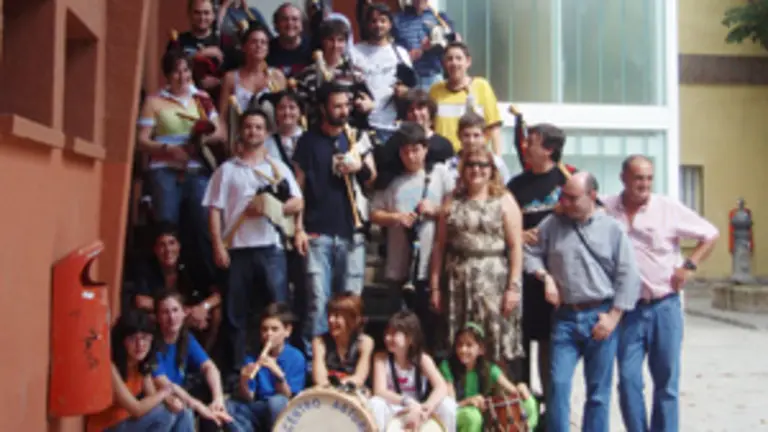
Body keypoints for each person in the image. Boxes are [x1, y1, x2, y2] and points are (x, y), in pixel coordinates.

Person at [604, 155, 719, 432]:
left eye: (648, 178)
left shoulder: (666, 208)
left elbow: (710, 233)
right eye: (638, 178)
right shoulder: (607, 208)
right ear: (623, 179)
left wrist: (688, 266)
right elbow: (576, 202)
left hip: (664, 306)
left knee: (666, 382)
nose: (644, 184)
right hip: (628, 311)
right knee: (629, 381)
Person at [523, 172, 642, 432]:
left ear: (592, 196)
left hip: (599, 314)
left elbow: (628, 275)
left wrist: (614, 317)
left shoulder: (611, 229)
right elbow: (530, 252)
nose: (565, 202)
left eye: (573, 198)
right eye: (563, 196)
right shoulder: (552, 224)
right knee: (558, 385)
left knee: (598, 392)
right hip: (565, 317)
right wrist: (545, 277)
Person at [203, 107, 303, 374]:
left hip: (271, 248)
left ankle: (281, 368)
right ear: (241, 131)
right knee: (236, 313)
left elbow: (297, 201)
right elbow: (214, 209)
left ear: (267, 132)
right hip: (237, 249)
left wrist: (271, 207)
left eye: (259, 127)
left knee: (278, 310)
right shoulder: (226, 170)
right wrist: (217, 245)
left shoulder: (278, 168)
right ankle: (238, 371)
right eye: (248, 127)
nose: (253, 132)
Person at [292, 83, 376, 356]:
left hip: (352, 232)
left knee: (351, 302)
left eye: (346, 105)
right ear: (323, 108)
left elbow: (372, 177)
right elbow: (298, 188)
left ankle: (348, 359)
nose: (343, 111)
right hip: (317, 232)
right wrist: (298, 229)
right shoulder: (307, 141)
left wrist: (357, 167)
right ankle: (314, 362)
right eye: (337, 106)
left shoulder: (357, 136)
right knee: (318, 301)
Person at [137, 49, 222, 299]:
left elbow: (221, 133)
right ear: (167, 75)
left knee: (203, 227)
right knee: (166, 229)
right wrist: (167, 149)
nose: (182, 76)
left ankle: (205, 284)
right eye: (176, 71)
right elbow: (141, 141)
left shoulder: (202, 98)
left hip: (196, 169)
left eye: (185, 70)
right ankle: (164, 286)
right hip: (164, 169)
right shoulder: (154, 101)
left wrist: (200, 136)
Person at [430, 146, 524, 369]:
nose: (477, 170)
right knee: (460, 341)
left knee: (494, 339)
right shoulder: (451, 200)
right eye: (471, 164)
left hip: (493, 282)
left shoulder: (504, 200)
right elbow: (439, 246)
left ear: (492, 169)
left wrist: (514, 287)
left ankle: (498, 396)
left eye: (483, 165)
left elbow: (515, 247)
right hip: (458, 281)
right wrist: (435, 287)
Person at [506, 123, 573, 402]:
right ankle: (521, 410)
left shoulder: (569, 181)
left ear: (549, 149)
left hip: (557, 280)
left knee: (549, 346)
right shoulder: (516, 185)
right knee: (519, 346)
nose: (524, 147)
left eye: (531, 142)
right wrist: (518, 234)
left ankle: (552, 409)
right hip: (522, 276)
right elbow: (502, 222)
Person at [370, 122, 452, 346]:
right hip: (399, 265)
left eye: (416, 150)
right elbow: (374, 213)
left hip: (430, 265)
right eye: (405, 151)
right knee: (399, 325)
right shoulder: (391, 180)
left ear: (425, 149)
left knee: (430, 325)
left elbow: (455, 207)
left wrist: (434, 211)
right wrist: (396, 218)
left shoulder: (440, 174)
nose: (411, 156)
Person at [87, 310, 194, 432]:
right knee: (164, 416)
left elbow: (152, 398)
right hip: (106, 428)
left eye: (144, 338)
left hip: (128, 423)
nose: (140, 344)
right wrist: (166, 391)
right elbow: (136, 409)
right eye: (133, 339)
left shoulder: (142, 363)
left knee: (183, 412)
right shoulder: (111, 367)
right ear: (122, 341)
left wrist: (171, 401)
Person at [126, 222, 221, 351]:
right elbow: (140, 301)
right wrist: (180, 311)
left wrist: (202, 307)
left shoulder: (191, 264)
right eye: (162, 245)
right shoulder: (146, 267)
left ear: (179, 246)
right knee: (155, 317)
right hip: (163, 315)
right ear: (155, 249)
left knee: (216, 313)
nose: (168, 250)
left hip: (190, 314)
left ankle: (203, 354)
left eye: (172, 243)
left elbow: (218, 294)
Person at [151, 290, 233, 429]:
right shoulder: (152, 343)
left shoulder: (186, 338)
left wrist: (218, 399)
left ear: (184, 313)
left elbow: (209, 367)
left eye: (175, 310)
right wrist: (199, 406)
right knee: (186, 410)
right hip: (162, 397)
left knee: (213, 397)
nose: (172, 317)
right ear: (157, 317)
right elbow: (165, 384)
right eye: (165, 312)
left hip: (179, 392)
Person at [440, 322, 539, 432]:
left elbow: (513, 392)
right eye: (459, 344)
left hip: (484, 416)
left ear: (481, 349)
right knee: (472, 416)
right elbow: (451, 406)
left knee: (529, 402)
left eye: (469, 345)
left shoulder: (489, 369)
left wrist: (521, 389)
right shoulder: (447, 367)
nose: (463, 350)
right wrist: (468, 401)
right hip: (458, 416)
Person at [369, 311, 457, 431]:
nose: (388, 338)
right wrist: (408, 402)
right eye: (387, 333)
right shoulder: (381, 358)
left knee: (448, 404)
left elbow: (441, 386)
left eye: (394, 334)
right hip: (395, 407)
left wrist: (427, 408)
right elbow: (380, 391)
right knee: (375, 403)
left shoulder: (423, 359)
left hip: (420, 408)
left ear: (410, 338)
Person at [226, 303, 307, 432]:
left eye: (274, 329)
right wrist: (244, 381)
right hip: (259, 407)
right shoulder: (253, 356)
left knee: (276, 402)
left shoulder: (296, 357)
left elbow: (289, 397)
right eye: (264, 329)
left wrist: (278, 374)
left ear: (287, 331)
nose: (268, 334)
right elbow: (249, 397)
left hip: (283, 410)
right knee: (229, 406)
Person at [352, 3, 413, 143]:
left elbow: (411, 89)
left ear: (390, 24)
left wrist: (404, 92)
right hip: (363, 126)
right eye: (373, 21)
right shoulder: (355, 52)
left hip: (392, 126)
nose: (378, 25)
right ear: (367, 24)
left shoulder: (400, 53)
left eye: (383, 20)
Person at [374, 89, 454, 191]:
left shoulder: (443, 145)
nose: (416, 113)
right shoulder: (394, 144)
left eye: (420, 108)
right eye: (411, 110)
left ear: (430, 111)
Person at [429, 42, 502, 154]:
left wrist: (497, 160)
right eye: (450, 59)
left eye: (459, 58)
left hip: (473, 159)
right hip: (443, 159)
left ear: (468, 62)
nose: (454, 63)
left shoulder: (481, 86)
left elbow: (494, 127)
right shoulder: (435, 91)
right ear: (444, 63)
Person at [218, 24, 286, 125]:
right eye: (254, 41)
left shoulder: (277, 76)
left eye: (263, 42)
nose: (259, 45)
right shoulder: (230, 78)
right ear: (244, 47)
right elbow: (222, 117)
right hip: (239, 135)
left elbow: (284, 111)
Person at [311, 292, 375, 386]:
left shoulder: (365, 342)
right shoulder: (320, 342)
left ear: (353, 319)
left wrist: (339, 385)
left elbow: (359, 377)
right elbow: (319, 378)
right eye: (329, 315)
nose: (331, 320)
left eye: (336, 316)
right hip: (327, 392)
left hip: (354, 392)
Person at [393, 0, 456, 90]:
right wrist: (407, 57)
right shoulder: (397, 20)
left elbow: (452, 46)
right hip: (409, 81)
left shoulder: (440, 18)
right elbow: (391, 50)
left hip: (434, 79)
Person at [444, 112, 511, 190]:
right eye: (466, 135)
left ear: (484, 136)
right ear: (458, 135)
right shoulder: (449, 166)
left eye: (476, 135)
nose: (471, 141)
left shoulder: (496, 163)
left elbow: (505, 189)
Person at [266, 3, 312, 77]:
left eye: (295, 19)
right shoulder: (266, 51)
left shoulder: (314, 47)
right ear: (276, 25)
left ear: (302, 24)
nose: (290, 23)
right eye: (284, 19)